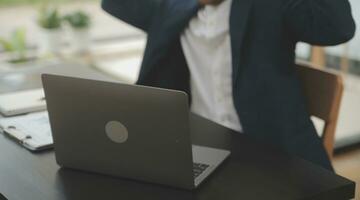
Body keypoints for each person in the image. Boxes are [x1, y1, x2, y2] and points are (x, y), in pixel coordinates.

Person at [101, 0, 356, 170]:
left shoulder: (268, 6)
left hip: (272, 156)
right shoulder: (171, 8)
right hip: (196, 148)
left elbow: (338, 28)